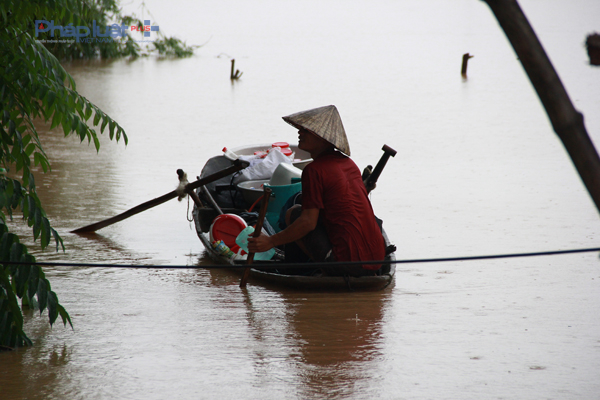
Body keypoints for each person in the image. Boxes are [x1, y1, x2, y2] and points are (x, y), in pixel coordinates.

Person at [247, 105, 385, 276]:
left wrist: (270, 241)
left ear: (324, 139)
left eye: (307, 130)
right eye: (300, 129)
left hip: (349, 264)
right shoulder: (350, 164)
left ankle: (301, 270)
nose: (300, 133)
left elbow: (308, 223)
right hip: (378, 259)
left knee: (293, 214)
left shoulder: (314, 170)